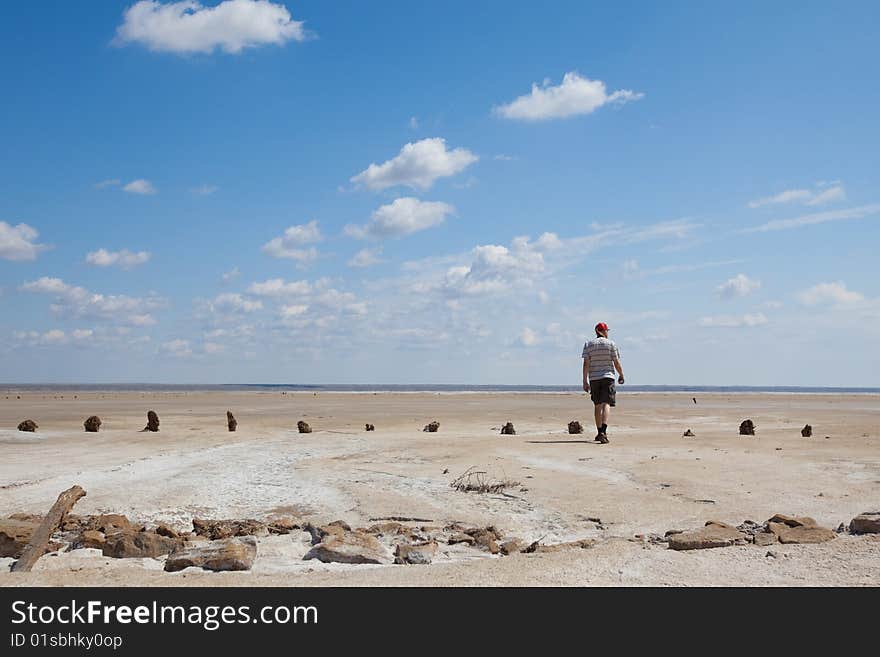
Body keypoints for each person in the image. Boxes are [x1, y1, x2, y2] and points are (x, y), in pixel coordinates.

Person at [581, 322, 625, 444]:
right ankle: (603, 432)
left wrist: (584, 381)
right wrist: (621, 375)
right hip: (608, 377)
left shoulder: (588, 344)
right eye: (606, 331)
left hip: (594, 378)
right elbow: (616, 362)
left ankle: (599, 431)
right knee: (606, 404)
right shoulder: (611, 344)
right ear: (602, 331)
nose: (607, 333)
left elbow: (586, 364)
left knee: (597, 405)